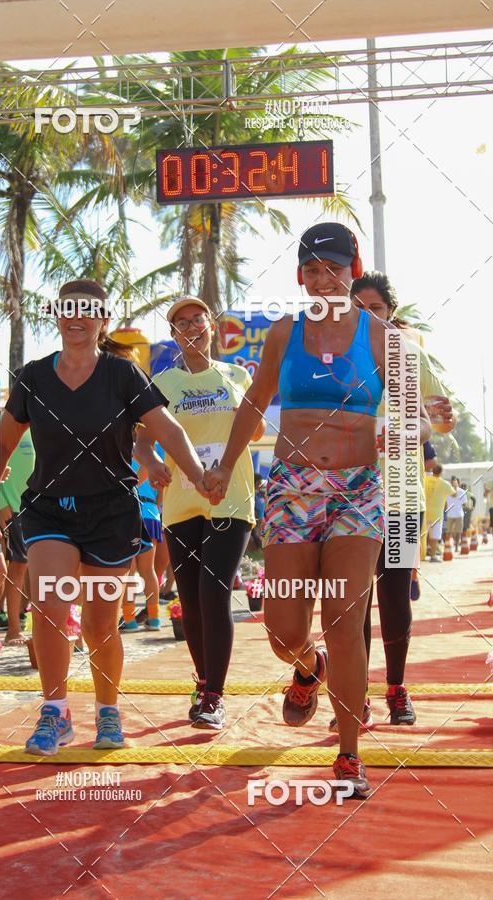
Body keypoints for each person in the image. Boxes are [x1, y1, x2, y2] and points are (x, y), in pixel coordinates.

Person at [205, 223, 404, 798]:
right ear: (300, 276)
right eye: (312, 271)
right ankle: (308, 665)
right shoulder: (284, 333)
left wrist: (415, 425)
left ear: (352, 271)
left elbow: (410, 409)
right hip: (292, 488)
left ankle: (349, 755)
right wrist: (224, 466)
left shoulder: (381, 337)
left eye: (333, 270)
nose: (323, 281)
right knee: (283, 629)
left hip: (357, 490)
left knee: (345, 618)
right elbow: (255, 401)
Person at [0, 278, 208, 756]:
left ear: (103, 319)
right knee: (50, 606)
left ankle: (108, 710)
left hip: (111, 512)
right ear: (56, 315)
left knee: (99, 624)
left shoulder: (123, 375)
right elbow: (6, 437)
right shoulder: (33, 377)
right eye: (68, 309)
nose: (76, 317)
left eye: (87, 310)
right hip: (49, 508)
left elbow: (167, 429)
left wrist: (197, 474)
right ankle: (55, 713)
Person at [136, 296, 263, 730]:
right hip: (181, 499)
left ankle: (214, 696)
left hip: (230, 494)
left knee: (214, 590)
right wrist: (152, 461)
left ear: (212, 327)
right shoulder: (162, 382)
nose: (191, 328)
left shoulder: (237, 376)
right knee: (189, 599)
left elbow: (254, 430)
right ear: (174, 335)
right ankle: (204, 681)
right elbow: (141, 439)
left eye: (198, 320)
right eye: (182, 323)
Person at [350, 272, 445, 726]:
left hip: (404, 493)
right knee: (352, 601)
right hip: (349, 495)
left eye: (376, 309)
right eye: (359, 308)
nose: (368, 316)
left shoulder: (409, 354)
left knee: (394, 596)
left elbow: (434, 420)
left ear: (391, 312)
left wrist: (413, 430)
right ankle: (355, 696)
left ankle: (396, 690)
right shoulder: (335, 359)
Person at [0, 428, 36, 643]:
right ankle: (13, 628)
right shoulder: (4, 427)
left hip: (39, 508)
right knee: (18, 565)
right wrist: (0, 503)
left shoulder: (40, 427)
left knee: (38, 566)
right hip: (13, 507)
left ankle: (39, 625)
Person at [120, 456, 163, 632]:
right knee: (148, 570)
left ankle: (129, 619)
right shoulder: (152, 454)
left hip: (130, 512)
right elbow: (162, 488)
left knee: (129, 571)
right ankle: (154, 618)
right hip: (152, 513)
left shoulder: (122, 450)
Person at [425, 464, 455, 561]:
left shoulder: (425, 479)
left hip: (424, 512)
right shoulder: (444, 483)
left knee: (423, 535)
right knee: (434, 536)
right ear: (441, 472)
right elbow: (453, 494)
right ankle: (433, 556)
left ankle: (422, 555)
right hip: (437, 514)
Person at [445, 477, 466, 551]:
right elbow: (464, 503)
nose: (453, 484)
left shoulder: (461, 492)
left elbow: (464, 503)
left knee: (456, 532)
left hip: (457, 514)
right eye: (452, 482)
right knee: (452, 532)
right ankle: (450, 547)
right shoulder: (448, 491)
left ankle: (454, 547)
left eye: (454, 482)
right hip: (453, 514)